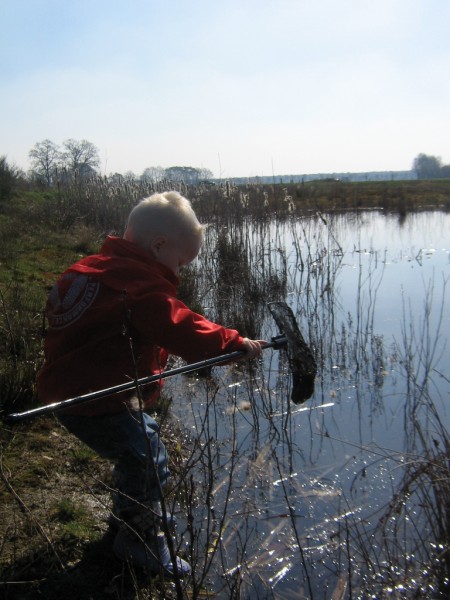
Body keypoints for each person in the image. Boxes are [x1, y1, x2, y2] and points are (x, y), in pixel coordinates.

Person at [37, 191, 266, 577]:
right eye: (181, 261)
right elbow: (180, 326)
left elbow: (106, 332)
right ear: (158, 245)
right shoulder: (140, 288)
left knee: (140, 443)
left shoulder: (90, 270)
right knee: (147, 459)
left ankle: (128, 515)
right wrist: (232, 342)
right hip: (95, 401)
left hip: (65, 391)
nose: (181, 271)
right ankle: (136, 540)